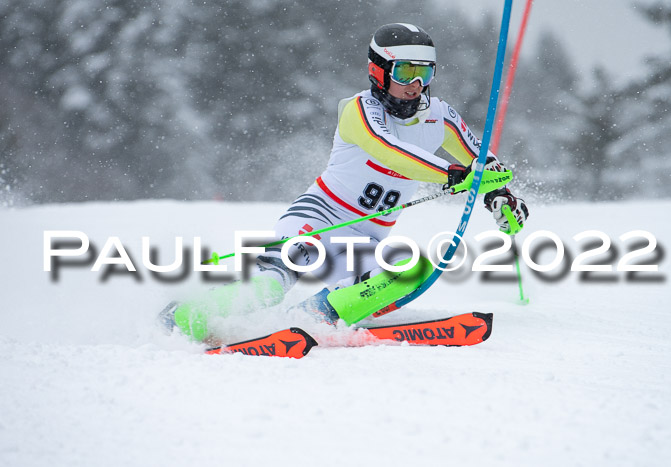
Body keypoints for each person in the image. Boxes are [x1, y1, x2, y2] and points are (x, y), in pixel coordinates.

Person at [160, 23, 529, 342]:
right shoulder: (358, 110)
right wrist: (453, 176)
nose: (415, 85)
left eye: (425, 73)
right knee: (268, 288)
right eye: (404, 73)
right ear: (379, 70)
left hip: (364, 241)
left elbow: (481, 161)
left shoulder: (440, 116)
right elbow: (389, 151)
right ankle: (185, 316)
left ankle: (305, 321)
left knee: (410, 271)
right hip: (319, 219)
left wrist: (499, 194)